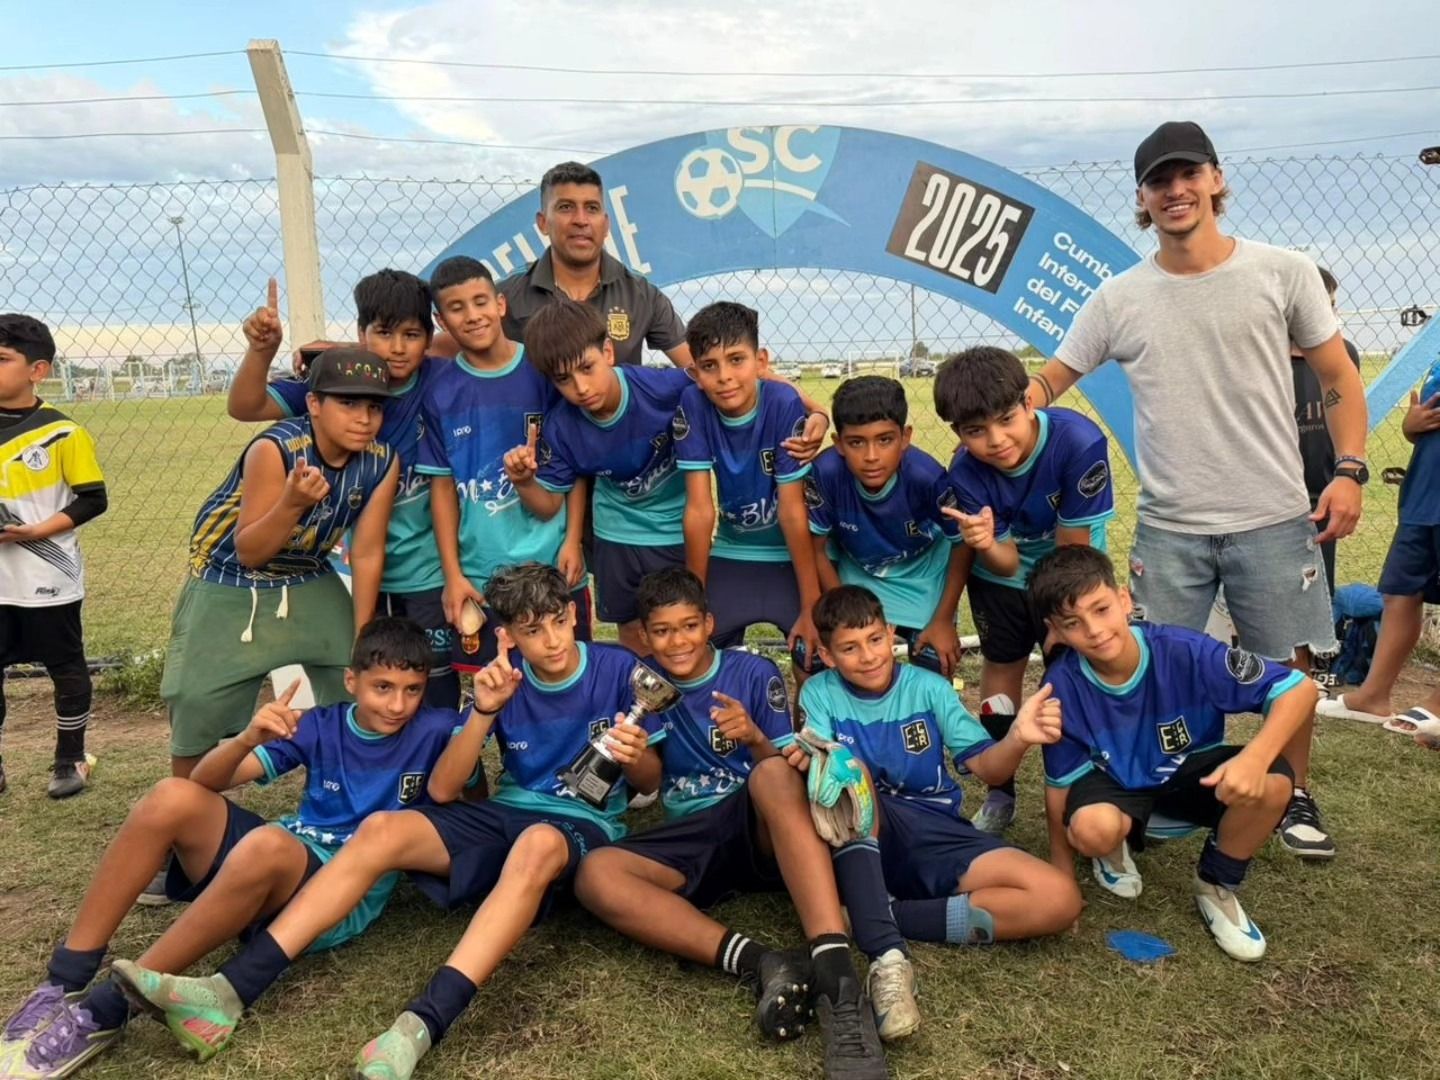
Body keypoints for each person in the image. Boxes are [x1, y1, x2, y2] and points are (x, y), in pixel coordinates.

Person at [115, 563, 660, 1080]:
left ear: (574, 613)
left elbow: (651, 782)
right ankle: (228, 994)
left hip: (580, 824)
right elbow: (446, 790)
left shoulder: (616, 669)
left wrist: (636, 755)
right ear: (509, 635)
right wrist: (486, 710)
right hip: (506, 810)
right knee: (381, 828)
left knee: (539, 842)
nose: (555, 640)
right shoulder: (503, 680)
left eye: (560, 622)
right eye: (534, 630)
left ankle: (418, 1027)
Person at [1027, 120, 1367, 859]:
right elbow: (1052, 379)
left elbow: (1339, 376)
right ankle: (1146, 792)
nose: (1175, 190)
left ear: (1216, 179)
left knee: (1286, 666)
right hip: (1171, 526)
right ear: (1143, 200)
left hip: (1275, 515)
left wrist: (1348, 470)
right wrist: (1009, 403)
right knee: (1140, 661)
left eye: (1189, 174)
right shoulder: (1120, 297)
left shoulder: (1283, 271)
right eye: (1158, 180)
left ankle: (1291, 793)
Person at [0, 618, 466, 1078]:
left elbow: (467, 794)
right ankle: (63, 982)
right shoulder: (320, 725)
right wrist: (248, 737)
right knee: (170, 797)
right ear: (351, 679)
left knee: (269, 842)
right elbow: (203, 783)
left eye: (412, 689)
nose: (398, 704)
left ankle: (104, 1012)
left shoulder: (437, 729)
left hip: (334, 896)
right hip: (274, 863)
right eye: (382, 687)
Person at [574, 569, 890, 1078]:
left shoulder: (753, 673)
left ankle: (837, 981)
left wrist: (753, 738)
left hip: (761, 821)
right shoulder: (642, 683)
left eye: (689, 626)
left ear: (710, 623)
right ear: (645, 636)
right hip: (696, 834)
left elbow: (789, 762)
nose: (677, 642)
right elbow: (652, 781)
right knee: (596, 874)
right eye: (661, 631)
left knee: (768, 773)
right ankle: (764, 962)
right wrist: (630, 755)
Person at [1029, 546, 1318, 961]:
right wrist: (1061, 877)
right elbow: (1058, 786)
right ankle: (1112, 847)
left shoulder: (1185, 651)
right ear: (1054, 630)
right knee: (1092, 829)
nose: (1094, 630)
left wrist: (1254, 758)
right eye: (1073, 623)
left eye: (1102, 609)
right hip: (1114, 783)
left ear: (1125, 599)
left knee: (1274, 781)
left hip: (1185, 771)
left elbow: (1298, 689)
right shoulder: (1061, 688)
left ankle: (1216, 884)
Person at [787, 586, 1083, 989]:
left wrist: (1018, 737)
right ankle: (874, 909)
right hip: (863, 833)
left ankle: (880, 916)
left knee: (1058, 898)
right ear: (826, 655)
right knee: (851, 770)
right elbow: (819, 770)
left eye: (875, 639)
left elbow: (991, 772)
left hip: (935, 830)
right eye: (849, 648)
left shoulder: (930, 689)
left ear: (891, 633)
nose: (869, 655)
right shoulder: (819, 693)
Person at [160, 348, 398, 778]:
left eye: (374, 406)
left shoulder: (382, 459)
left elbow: (366, 551)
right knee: (198, 699)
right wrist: (291, 503)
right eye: (347, 403)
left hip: (307, 573)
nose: (363, 417)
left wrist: (362, 634)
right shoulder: (277, 448)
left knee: (359, 672)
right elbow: (250, 550)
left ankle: (347, 781)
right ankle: (186, 808)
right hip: (229, 575)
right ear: (313, 404)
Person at [226, 270, 457, 709]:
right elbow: (245, 406)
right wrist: (262, 350)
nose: (396, 348)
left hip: (428, 571)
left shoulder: (439, 379)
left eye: (411, 335)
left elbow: (466, 342)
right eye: (383, 333)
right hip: (361, 572)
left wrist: (345, 345)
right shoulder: (339, 382)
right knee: (378, 680)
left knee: (432, 684)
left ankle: (445, 771)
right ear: (361, 333)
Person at [935, 345, 1114, 836]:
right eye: (975, 431)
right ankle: (1000, 789)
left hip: (1069, 574)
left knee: (1073, 674)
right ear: (958, 433)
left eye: (1006, 419)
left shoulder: (1078, 443)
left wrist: (1059, 622)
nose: (996, 440)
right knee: (1001, 672)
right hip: (1003, 581)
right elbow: (1007, 560)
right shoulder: (964, 473)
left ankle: (1090, 790)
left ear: (1028, 403)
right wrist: (988, 543)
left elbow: (1069, 553)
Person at [419, 257, 589, 671]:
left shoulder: (544, 371)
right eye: (457, 308)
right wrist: (453, 574)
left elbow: (577, 463)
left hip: (553, 562)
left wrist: (572, 540)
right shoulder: (440, 390)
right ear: (442, 320)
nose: (472, 316)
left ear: (500, 304)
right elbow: (441, 489)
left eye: (480, 302)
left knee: (565, 674)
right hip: (482, 572)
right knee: (499, 683)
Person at [503, 298, 692, 654]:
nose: (581, 387)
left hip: (672, 530)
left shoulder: (665, 390)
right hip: (615, 536)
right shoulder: (561, 427)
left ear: (608, 351)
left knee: (680, 634)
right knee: (635, 634)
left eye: (587, 368)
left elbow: (738, 386)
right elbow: (548, 505)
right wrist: (523, 481)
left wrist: (811, 411)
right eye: (564, 379)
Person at [676, 302, 825, 675]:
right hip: (733, 549)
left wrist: (811, 603)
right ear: (695, 372)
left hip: (788, 554)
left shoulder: (781, 401)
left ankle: (803, 734)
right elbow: (699, 510)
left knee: (812, 656)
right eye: (710, 366)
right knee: (701, 656)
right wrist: (694, 600)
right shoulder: (693, 403)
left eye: (736, 359)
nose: (724, 376)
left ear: (761, 360)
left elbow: (792, 510)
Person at [0, 314, 107, 799]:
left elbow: (92, 498)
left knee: (66, 667)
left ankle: (69, 760)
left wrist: (38, 530)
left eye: (2, 359)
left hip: (47, 573)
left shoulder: (63, 433)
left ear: (37, 370)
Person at [806, 375, 966, 679]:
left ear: (905, 437)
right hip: (859, 577)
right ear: (838, 443)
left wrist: (944, 619)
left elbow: (962, 544)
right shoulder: (825, 474)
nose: (871, 456)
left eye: (885, 440)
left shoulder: (927, 477)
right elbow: (816, 549)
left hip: (924, 577)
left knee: (936, 661)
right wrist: (843, 610)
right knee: (834, 663)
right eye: (856, 442)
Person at [1318, 355, 1440, 736]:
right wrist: (1411, 426)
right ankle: (1373, 695)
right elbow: (1422, 425)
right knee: (1399, 593)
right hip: (1423, 495)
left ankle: (1438, 704)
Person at [497, 161, 692, 369]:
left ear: (606, 223)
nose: (581, 220)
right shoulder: (506, 295)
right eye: (565, 207)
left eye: (591, 208)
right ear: (543, 223)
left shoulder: (642, 294)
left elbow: (696, 371)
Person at [1291, 266, 1363, 595]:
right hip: (1273, 502)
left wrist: (1346, 475)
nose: (1328, 317)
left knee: (1318, 593)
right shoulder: (1263, 359)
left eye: (1332, 307)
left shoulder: (1343, 355)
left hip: (1322, 497)